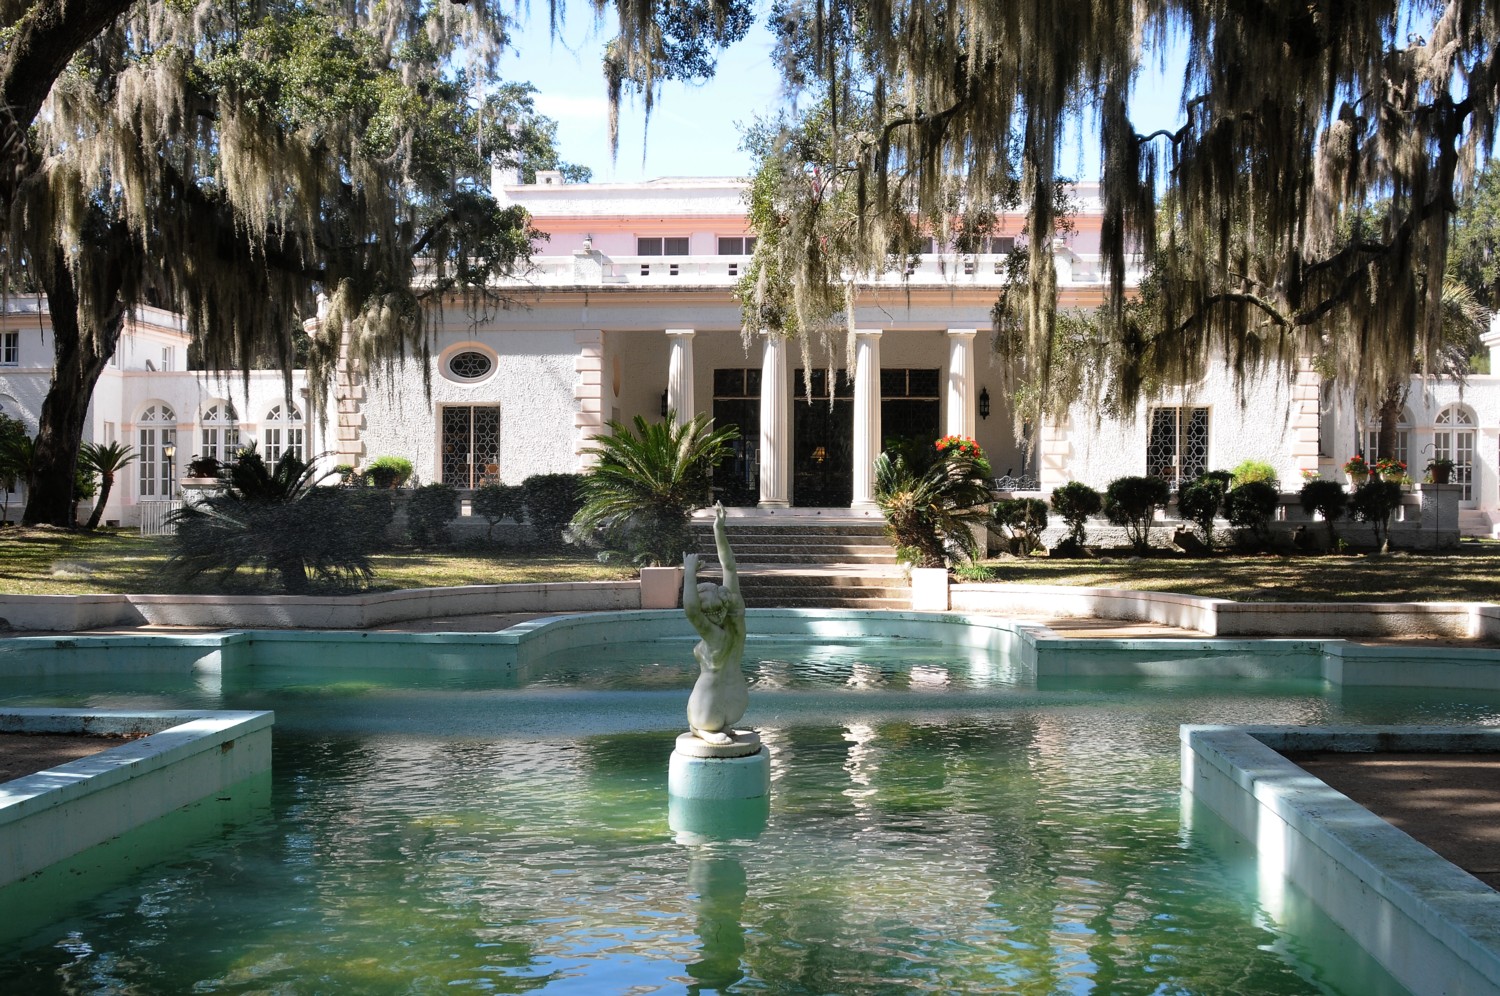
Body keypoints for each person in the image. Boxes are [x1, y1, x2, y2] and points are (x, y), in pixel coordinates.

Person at [682, 502, 747, 744]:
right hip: (736, 701)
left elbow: (691, 610)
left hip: (708, 706)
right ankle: (707, 729)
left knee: (701, 722)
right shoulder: (736, 621)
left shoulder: (715, 636)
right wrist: (719, 529)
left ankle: (703, 730)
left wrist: (689, 572)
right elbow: (729, 567)